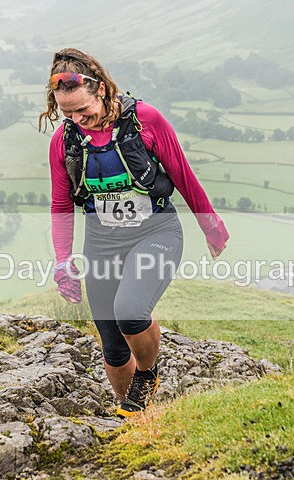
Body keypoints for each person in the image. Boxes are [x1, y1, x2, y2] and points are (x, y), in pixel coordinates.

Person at [39, 48, 229, 417]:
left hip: (155, 230)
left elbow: (182, 175)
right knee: (111, 342)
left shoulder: (146, 120)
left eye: (84, 110)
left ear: (103, 91)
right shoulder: (64, 143)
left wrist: (211, 226)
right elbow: (61, 206)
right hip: (101, 241)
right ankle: (136, 415)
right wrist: (62, 262)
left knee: (129, 311)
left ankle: (148, 374)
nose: (78, 120)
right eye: (68, 114)